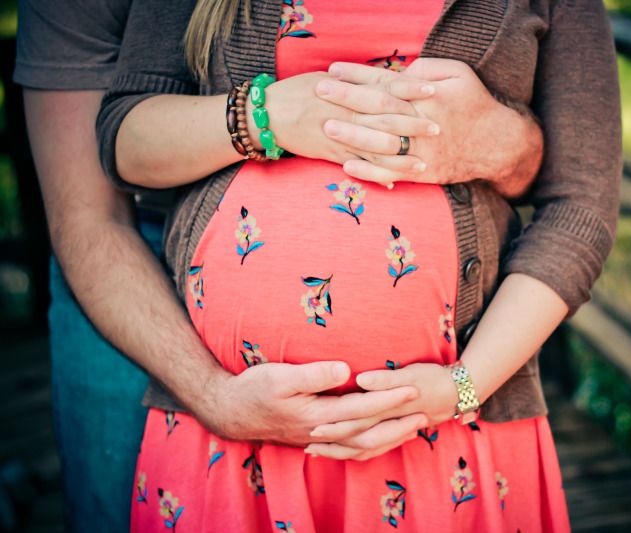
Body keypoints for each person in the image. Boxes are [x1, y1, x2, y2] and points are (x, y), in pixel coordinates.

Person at [98, 0, 621, 530]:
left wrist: (465, 385)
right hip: (232, 434)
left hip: (450, 430)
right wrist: (262, 116)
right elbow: (125, 143)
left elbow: (580, 207)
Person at [15, 0, 507, 529]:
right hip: (139, 262)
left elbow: (564, 172)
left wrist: (510, 142)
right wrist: (211, 395)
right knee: (111, 504)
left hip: (434, 366)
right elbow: (88, 216)